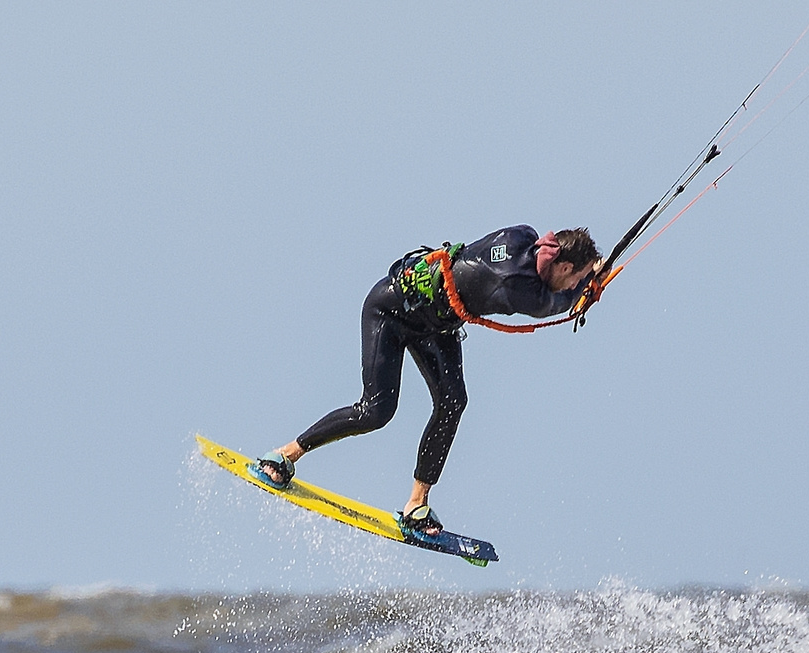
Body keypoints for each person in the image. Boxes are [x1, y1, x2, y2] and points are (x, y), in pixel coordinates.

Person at [249, 226, 601, 539]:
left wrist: (588, 278)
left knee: (453, 403)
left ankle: (416, 505)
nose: (574, 283)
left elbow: (555, 291)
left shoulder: (524, 235)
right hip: (391, 310)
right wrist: (586, 290)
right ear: (565, 266)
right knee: (376, 411)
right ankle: (284, 456)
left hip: (435, 323)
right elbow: (552, 304)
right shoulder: (515, 286)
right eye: (575, 277)